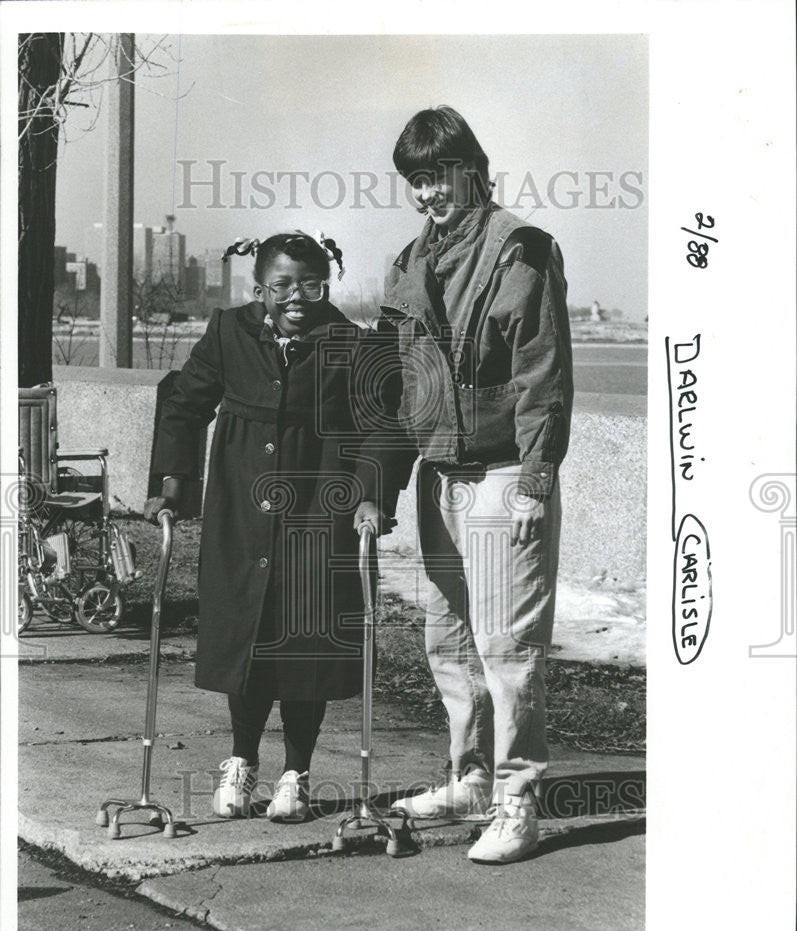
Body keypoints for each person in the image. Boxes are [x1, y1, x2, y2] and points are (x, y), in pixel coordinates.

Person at [354, 106, 574, 863]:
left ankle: (518, 803)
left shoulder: (522, 249)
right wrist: (376, 488)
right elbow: (391, 385)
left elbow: (543, 379)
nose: (426, 194)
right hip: (437, 477)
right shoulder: (409, 262)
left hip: (504, 472)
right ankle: (470, 780)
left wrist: (535, 483)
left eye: (437, 176)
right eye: (414, 181)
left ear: (471, 170)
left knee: (507, 646)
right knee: (446, 639)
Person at [146, 231, 389, 823]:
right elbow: (184, 404)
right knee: (246, 634)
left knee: (306, 636)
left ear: (325, 285)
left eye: (310, 284)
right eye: (281, 285)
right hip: (242, 503)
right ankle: (242, 760)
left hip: (318, 504)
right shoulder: (230, 332)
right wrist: (172, 483)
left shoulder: (351, 345)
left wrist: (371, 497)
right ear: (260, 288)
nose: (296, 296)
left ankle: (296, 773)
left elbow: (380, 425)